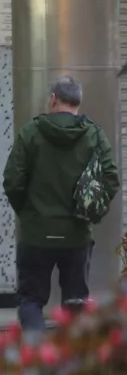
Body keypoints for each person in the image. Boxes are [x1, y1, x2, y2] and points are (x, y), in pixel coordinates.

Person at [3, 75, 120, 331]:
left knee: (31, 300)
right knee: (75, 303)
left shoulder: (30, 133)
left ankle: (39, 359)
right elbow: (111, 178)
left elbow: (12, 181)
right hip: (76, 234)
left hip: (36, 234)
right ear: (78, 101)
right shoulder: (94, 134)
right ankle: (71, 364)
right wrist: (91, 209)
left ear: (53, 99)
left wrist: (28, 212)